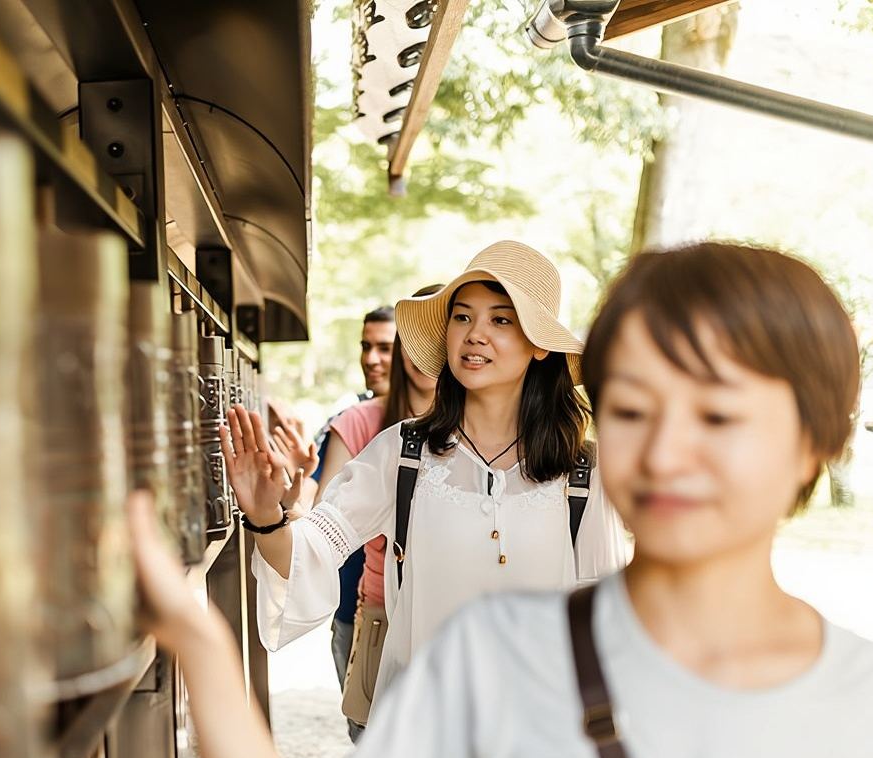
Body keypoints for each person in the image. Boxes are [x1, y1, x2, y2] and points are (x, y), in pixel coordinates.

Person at [128, 241, 873, 758]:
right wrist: (202, 637)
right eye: (634, 408)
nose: (665, 451)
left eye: (718, 416)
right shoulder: (490, 654)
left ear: (814, 442)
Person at [232, 241, 625, 705]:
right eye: (462, 317)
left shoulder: (584, 472)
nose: (475, 334)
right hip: (422, 731)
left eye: (500, 319)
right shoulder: (404, 452)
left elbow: (612, 622)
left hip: (540, 738)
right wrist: (265, 518)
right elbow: (312, 551)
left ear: (539, 346)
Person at [317, 288, 441, 742]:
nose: (374, 357)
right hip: (373, 609)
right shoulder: (362, 423)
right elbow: (322, 515)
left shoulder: (493, 428)